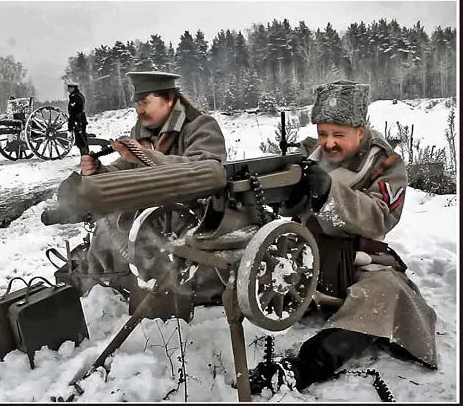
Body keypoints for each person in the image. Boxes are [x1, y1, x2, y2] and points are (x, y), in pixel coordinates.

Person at [248, 80, 438, 395]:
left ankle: (306, 365)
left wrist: (330, 194)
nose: (329, 143)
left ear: (360, 131)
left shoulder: (386, 165)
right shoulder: (308, 156)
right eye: (323, 133)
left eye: (339, 135)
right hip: (307, 256)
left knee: (385, 292)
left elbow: (381, 218)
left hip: (355, 260)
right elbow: (292, 207)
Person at [77, 71, 228, 304]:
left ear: (169, 99)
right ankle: (106, 290)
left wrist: (143, 155)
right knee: (108, 227)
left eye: (145, 103)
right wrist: (98, 171)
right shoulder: (143, 132)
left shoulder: (201, 126)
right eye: (138, 104)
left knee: (155, 241)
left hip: (198, 214)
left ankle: (169, 293)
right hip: (156, 214)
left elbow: (204, 169)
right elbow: (123, 169)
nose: (139, 110)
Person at [67, 82, 89, 156]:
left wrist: (74, 121)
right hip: (78, 121)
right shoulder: (75, 96)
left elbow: (76, 110)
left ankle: (86, 157)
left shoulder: (76, 96)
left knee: (82, 140)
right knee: (80, 141)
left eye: (69, 88)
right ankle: (85, 158)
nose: (68, 89)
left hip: (79, 121)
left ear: (73, 88)